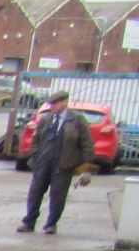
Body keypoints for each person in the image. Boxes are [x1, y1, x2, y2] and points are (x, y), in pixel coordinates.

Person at [18, 90, 93, 234]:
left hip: (64, 164)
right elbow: (36, 140)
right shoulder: (46, 119)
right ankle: (29, 222)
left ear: (65, 102)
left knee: (58, 196)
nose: (51, 106)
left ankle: (51, 224)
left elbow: (86, 144)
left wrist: (86, 169)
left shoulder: (77, 120)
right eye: (50, 103)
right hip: (43, 163)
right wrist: (36, 157)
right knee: (35, 192)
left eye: (54, 103)